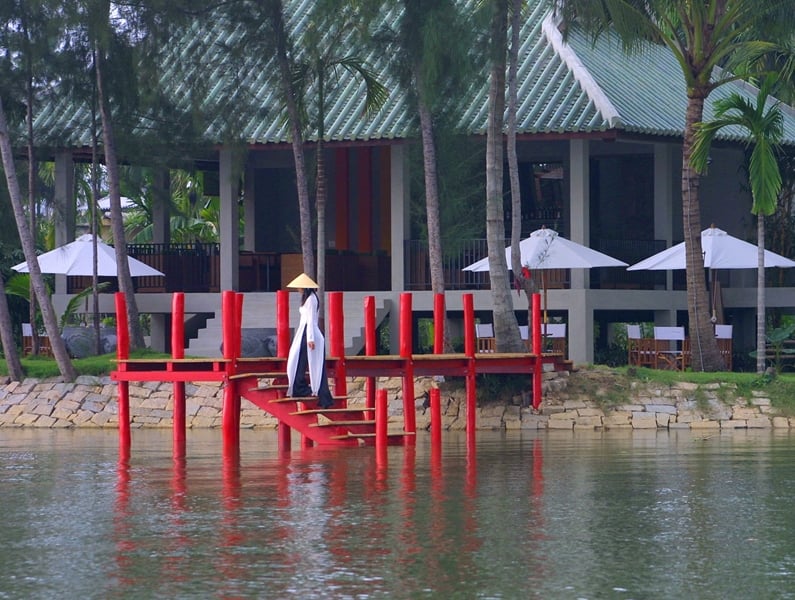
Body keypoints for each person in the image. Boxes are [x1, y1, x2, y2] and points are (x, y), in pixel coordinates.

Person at [285, 273, 334, 408]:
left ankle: (305, 388)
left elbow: (311, 320)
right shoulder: (307, 298)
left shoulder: (312, 299)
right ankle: (298, 386)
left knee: (307, 362)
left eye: (300, 287)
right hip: (304, 332)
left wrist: (311, 339)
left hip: (309, 333)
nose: (298, 289)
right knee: (297, 360)